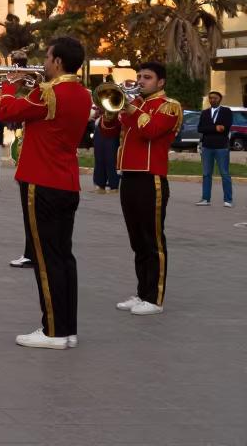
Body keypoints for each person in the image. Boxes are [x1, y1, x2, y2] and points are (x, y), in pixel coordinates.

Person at [0, 36, 91, 350]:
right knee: (63, 257)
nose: (43, 63)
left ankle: (52, 331)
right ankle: (67, 328)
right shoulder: (82, 93)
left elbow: (6, 112)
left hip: (42, 182)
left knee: (47, 260)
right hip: (66, 181)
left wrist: (10, 83)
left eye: (47, 57)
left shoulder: (49, 92)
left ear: (58, 62)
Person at [97, 62, 180, 316]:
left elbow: (151, 131)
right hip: (129, 177)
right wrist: (110, 113)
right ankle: (142, 292)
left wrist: (129, 108)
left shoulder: (169, 106)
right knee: (137, 241)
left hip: (151, 177)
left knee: (152, 240)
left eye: (147, 77)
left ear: (161, 82)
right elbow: (107, 134)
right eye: (139, 77)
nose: (140, 81)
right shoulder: (135, 106)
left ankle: (154, 298)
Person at [197, 91, 234, 207]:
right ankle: (205, 199)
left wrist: (212, 128)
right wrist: (215, 128)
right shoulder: (205, 113)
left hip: (222, 147)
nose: (212, 100)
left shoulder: (226, 112)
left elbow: (226, 127)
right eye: (210, 98)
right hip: (207, 146)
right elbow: (200, 128)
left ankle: (228, 200)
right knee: (207, 173)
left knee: (225, 173)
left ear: (220, 99)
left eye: (215, 98)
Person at [91, 108, 120, 194]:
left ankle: (114, 186)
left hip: (112, 129)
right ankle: (100, 185)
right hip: (99, 129)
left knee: (111, 159)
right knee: (99, 159)